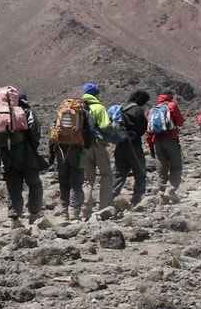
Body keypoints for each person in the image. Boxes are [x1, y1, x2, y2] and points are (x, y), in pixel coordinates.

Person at [0, 91, 46, 225]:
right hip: (26, 153)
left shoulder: (0, 115)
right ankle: (34, 215)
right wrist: (32, 147)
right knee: (34, 184)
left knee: (14, 187)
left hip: (7, 155)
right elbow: (35, 131)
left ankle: (14, 218)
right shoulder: (26, 111)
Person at [51, 99, 96, 221]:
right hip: (77, 148)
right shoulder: (83, 113)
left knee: (63, 180)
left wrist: (51, 153)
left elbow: (53, 131)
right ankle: (74, 211)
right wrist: (86, 146)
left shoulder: (61, 112)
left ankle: (64, 211)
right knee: (76, 180)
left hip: (60, 149)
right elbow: (91, 131)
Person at [110, 89, 150, 208]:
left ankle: (109, 198)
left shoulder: (120, 107)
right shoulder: (137, 110)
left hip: (119, 144)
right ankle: (137, 200)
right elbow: (142, 128)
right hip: (133, 145)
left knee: (119, 173)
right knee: (140, 172)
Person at [80, 83, 114, 218]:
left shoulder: (80, 107)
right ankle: (104, 207)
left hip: (83, 148)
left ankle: (85, 211)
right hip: (97, 144)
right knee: (106, 174)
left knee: (87, 179)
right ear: (96, 94)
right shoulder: (98, 107)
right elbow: (105, 126)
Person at [148, 89, 185, 204]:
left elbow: (148, 131)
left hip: (157, 142)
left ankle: (161, 194)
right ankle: (171, 189)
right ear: (170, 96)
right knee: (176, 166)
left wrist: (151, 147)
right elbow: (180, 122)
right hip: (171, 140)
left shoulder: (152, 110)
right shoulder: (172, 106)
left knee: (161, 168)